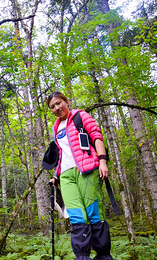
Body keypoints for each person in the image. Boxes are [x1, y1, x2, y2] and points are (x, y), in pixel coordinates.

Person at [47, 91, 113, 260]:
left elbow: (96, 136)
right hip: (66, 176)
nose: (56, 108)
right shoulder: (55, 128)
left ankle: (103, 256)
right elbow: (61, 154)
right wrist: (56, 175)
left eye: (58, 103)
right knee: (76, 215)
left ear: (66, 101)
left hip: (87, 169)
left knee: (93, 213)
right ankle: (82, 257)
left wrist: (103, 161)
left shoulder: (80, 116)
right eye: (52, 107)